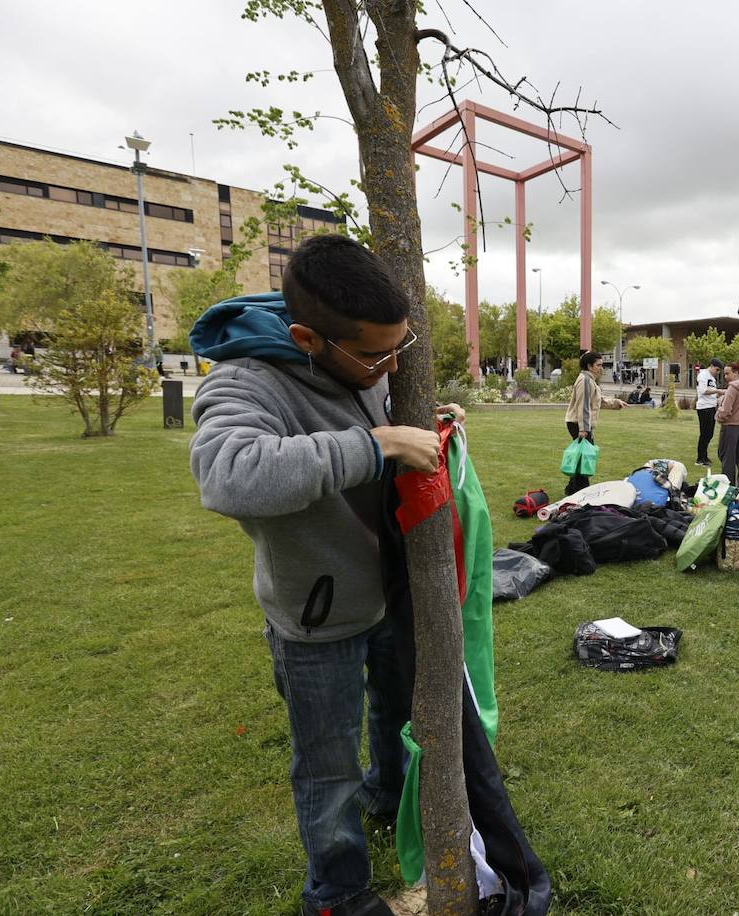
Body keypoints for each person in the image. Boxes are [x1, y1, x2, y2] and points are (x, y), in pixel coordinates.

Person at [189, 235, 457, 916]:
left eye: (400, 348)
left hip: (390, 594)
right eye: (376, 355)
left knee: (399, 717)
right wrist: (376, 444)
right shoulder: (243, 382)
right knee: (327, 767)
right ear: (309, 337)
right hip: (315, 618)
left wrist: (417, 425)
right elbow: (229, 476)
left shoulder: (363, 368)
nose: (391, 365)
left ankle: (392, 798)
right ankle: (335, 893)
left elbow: (380, 420)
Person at [564, 350, 625, 494]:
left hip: (579, 424)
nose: (601, 368)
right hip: (578, 424)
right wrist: (584, 429)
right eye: (598, 365)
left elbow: (597, 402)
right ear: (589, 366)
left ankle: (573, 488)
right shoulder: (585, 380)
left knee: (581, 456)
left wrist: (616, 403)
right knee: (584, 457)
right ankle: (580, 490)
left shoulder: (589, 380)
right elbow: (583, 406)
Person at [695, 357, 723, 467]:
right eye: (717, 369)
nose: (718, 372)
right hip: (704, 408)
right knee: (704, 433)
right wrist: (717, 390)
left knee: (709, 434)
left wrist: (718, 394)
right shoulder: (703, 375)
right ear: (711, 366)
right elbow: (703, 391)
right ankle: (700, 459)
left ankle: (704, 455)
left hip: (711, 407)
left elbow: (711, 393)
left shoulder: (711, 378)